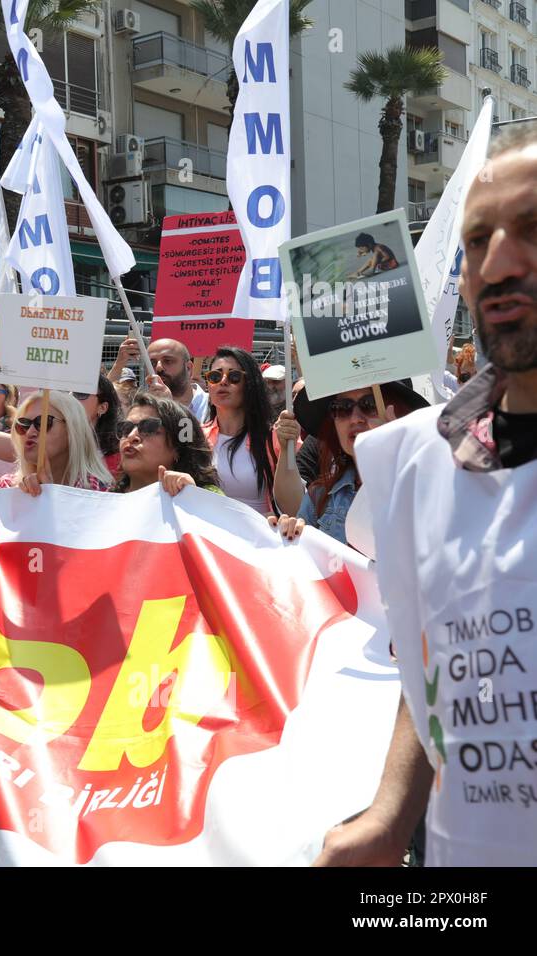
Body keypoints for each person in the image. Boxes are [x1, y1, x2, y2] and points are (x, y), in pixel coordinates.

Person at [315, 122, 537, 867]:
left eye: (532, 228)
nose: (500, 263)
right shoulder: (413, 465)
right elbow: (443, 658)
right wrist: (387, 815)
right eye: (478, 242)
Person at [271, 383, 425, 546]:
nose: (355, 418)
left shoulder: (429, 489)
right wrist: (289, 538)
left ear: (399, 414)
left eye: (370, 404)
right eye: (343, 408)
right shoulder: (319, 497)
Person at [200, 347, 296, 516]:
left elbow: (293, 508)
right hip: (209, 539)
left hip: (260, 538)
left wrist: (286, 448)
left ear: (250, 384)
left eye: (234, 376)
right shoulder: (196, 437)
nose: (223, 381)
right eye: (215, 376)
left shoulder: (275, 437)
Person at [0, 391, 113, 495]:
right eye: (23, 424)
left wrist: (51, 497)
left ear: (72, 430)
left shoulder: (97, 492)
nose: (30, 432)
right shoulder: (7, 488)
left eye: (43, 423)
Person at [111, 394, 221, 495]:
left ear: (178, 448)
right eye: (126, 428)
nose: (131, 436)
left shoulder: (208, 495)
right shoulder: (104, 502)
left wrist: (193, 497)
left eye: (149, 428)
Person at [127, 337, 210, 421]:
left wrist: (169, 406)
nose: (159, 368)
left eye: (168, 361)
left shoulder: (214, 406)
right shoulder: (140, 413)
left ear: (188, 368)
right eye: (152, 363)